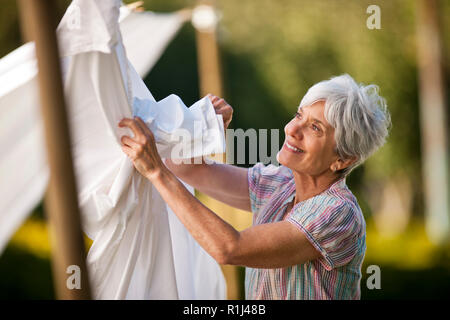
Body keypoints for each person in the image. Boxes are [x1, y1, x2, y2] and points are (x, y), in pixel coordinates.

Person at [118, 74, 391, 300]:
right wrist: (205, 131)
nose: (293, 130)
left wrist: (156, 172)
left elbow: (229, 248)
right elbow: (186, 169)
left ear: (342, 159)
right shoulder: (281, 183)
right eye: (299, 115)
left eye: (315, 128)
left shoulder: (337, 212)